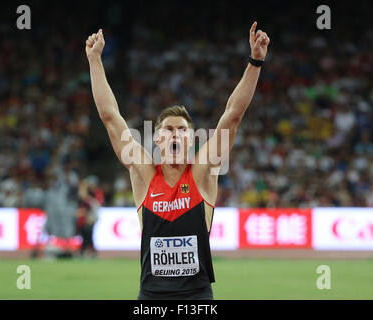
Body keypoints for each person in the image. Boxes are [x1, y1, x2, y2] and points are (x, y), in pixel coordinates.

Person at [85, 22, 270, 300]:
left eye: (182, 130)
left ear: (192, 138)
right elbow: (110, 116)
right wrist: (95, 60)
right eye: (168, 130)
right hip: (151, 296)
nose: (175, 135)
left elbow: (232, 115)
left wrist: (255, 61)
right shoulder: (145, 173)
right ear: (156, 140)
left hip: (197, 296)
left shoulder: (202, 172)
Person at [76, 175, 103, 258]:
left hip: (91, 216)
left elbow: (97, 205)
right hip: (85, 217)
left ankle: (89, 251)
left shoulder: (96, 193)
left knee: (88, 234)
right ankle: (85, 251)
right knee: (85, 234)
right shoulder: (90, 193)